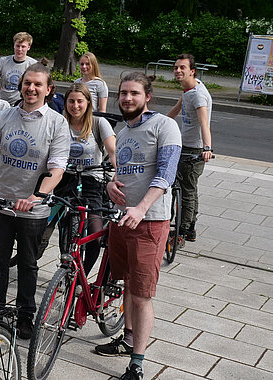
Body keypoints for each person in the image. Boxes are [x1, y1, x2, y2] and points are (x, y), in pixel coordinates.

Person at [0, 63, 70, 340]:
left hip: (33, 209)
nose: (31, 88)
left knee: (28, 264)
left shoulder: (56, 122)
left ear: (48, 89)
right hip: (2, 201)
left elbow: (57, 166)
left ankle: (26, 315)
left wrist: (36, 196)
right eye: (27, 83)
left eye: (38, 84)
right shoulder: (6, 115)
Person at [94, 72, 181, 380]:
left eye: (134, 93)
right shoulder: (123, 129)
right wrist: (110, 187)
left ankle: (137, 364)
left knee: (142, 293)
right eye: (123, 93)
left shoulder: (164, 126)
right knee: (128, 282)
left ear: (147, 97)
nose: (127, 98)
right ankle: (127, 338)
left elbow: (166, 173)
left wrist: (141, 208)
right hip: (122, 219)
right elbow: (119, 171)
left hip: (150, 220)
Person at [53, 82, 117, 272]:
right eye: (71, 101)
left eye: (80, 101)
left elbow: (113, 151)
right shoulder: (60, 122)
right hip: (64, 179)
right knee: (64, 230)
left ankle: (82, 275)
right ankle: (66, 266)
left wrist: (118, 173)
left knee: (95, 236)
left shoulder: (98, 123)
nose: (75, 106)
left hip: (92, 181)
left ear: (88, 102)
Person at [166, 53, 212, 243]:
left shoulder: (198, 95)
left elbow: (204, 123)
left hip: (194, 149)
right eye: (176, 67)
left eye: (182, 68)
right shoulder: (190, 89)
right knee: (189, 189)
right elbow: (176, 110)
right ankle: (190, 227)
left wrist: (207, 147)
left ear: (192, 71)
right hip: (185, 146)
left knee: (186, 192)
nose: (178, 70)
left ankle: (182, 232)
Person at [0, 32, 37, 104]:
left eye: (23, 47)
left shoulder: (33, 64)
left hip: (22, 103)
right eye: (17, 46)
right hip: (3, 102)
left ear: (29, 47)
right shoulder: (3, 61)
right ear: (14, 45)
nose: (19, 49)